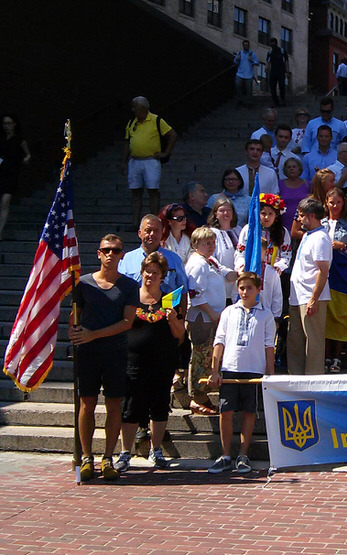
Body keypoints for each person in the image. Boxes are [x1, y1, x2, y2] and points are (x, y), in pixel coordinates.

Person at [70, 235, 139, 481]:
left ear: (122, 254)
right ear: (98, 253)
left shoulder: (129, 286)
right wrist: (76, 331)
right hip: (87, 354)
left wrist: (93, 335)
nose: (111, 254)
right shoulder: (83, 283)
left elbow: (127, 322)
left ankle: (108, 457)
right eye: (106, 250)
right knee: (86, 403)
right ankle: (87, 456)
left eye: (116, 250)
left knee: (113, 404)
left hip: (115, 352)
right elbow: (75, 315)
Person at [116, 251, 186, 472]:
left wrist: (173, 319)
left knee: (159, 406)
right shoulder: (130, 297)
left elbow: (180, 335)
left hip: (161, 362)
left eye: (155, 273)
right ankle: (125, 452)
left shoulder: (169, 300)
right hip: (133, 362)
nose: (150, 276)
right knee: (130, 408)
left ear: (163, 276)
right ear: (142, 272)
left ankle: (156, 451)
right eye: (147, 271)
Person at [207, 271, 275, 474]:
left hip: (253, 371)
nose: (245, 292)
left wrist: (269, 374)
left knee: (248, 412)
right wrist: (215, 369)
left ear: (258, 290)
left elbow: (268, 345)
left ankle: (243, 455)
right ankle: (225, 454)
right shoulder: (229, 312)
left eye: (249, 288)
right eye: (241, 288)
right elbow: (219, 341)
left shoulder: (266, 314)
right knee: (225, 412)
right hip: (230, 369)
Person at [184, 227, 237, 416]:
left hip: (213, 317)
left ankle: (202, 395)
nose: (211, 246)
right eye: (206, 243)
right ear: (195, 244)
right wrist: (212, 313)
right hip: (202, 318)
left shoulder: (211, 261)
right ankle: (196, 397)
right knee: (201, 356)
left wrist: (244, 270)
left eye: (213, 242)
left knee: (208, 357)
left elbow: (228, 275)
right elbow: (195, 293)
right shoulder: (198, 264)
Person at [288, 198, 332, 374]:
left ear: (311, 216)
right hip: (297, 296)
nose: (298, 219)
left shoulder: (321, 238)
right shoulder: (307, 235)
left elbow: (323, 271)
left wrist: (313, 299)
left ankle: (313, 380)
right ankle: (295, 378)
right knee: (295, 340)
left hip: (312, 297)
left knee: (313, 342)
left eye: (301, 215)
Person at [121, 96, 177, 228]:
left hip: (151, 160)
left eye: (135, 107)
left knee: (153, 191)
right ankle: (136, 223)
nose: (133, 110)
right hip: (134, 161)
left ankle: (155, 221)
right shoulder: (131, 123)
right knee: (135, 191)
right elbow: (127, 143)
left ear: (143, 108)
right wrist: (124, 161)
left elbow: (172, 134)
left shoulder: (156, 120)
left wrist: (166, 153)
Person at [323, 187, 347, 371]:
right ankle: (326, 357)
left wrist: (342, 246)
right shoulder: (320, 224)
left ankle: (337, 357)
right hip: (324, 275)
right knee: (326, 316)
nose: (335, 206)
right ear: (326, 203)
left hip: (341, 276)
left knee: (338, 316)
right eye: (332, 202)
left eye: (338, 202)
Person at [235, 194, 291, 274]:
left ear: (276, 215)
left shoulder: (282, 232)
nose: (266, 217)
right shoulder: (249, 229)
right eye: (263, 213)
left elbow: (286, 255)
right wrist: (242, 266)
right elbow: (240, 252)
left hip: (272, 273)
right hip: (251, 272)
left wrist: (279, 266)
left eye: (270, 214)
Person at [208, 198, 242, 299]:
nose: (226, 213)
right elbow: (209, 257)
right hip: (222, 281)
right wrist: (226, 272)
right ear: (215, 214)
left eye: (229, 210)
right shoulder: (211, 233)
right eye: (222, 210)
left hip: (240, 280)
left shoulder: (239, 230)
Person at [277, 158, 309, 231]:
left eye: (294, 167)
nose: (291, 169)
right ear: (285, 170)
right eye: (289, 167)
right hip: (283, 224)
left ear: (299, 169)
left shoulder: (308, 184)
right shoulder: (279, 184)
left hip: (303, 224)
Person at [233, 40, 259, 105]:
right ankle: (240, 99)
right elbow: (234, 62)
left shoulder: (252, 54)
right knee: (237, 85)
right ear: (243, 45)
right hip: (240, 73)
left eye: (247, 45)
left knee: (249, 90)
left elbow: (258, 63)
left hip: (249, 75)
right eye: (245, 45)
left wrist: (252, 60)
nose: (246, 46)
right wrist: (237, 59)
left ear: (249, 46)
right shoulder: (239, 53)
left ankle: (249, 102)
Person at [266, 37, 288, 107]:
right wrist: (267, 68)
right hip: (273, 72)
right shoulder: (270, 52)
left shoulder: (282, 51)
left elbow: (286, 62)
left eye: (273, 43)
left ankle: (282, 100)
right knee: (272, 87)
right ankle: (276, 102)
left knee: (281, 86)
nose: (272, 45)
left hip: (281, 71)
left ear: (276, 43)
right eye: (271, 44)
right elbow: (268, 61)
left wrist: (287, 71)